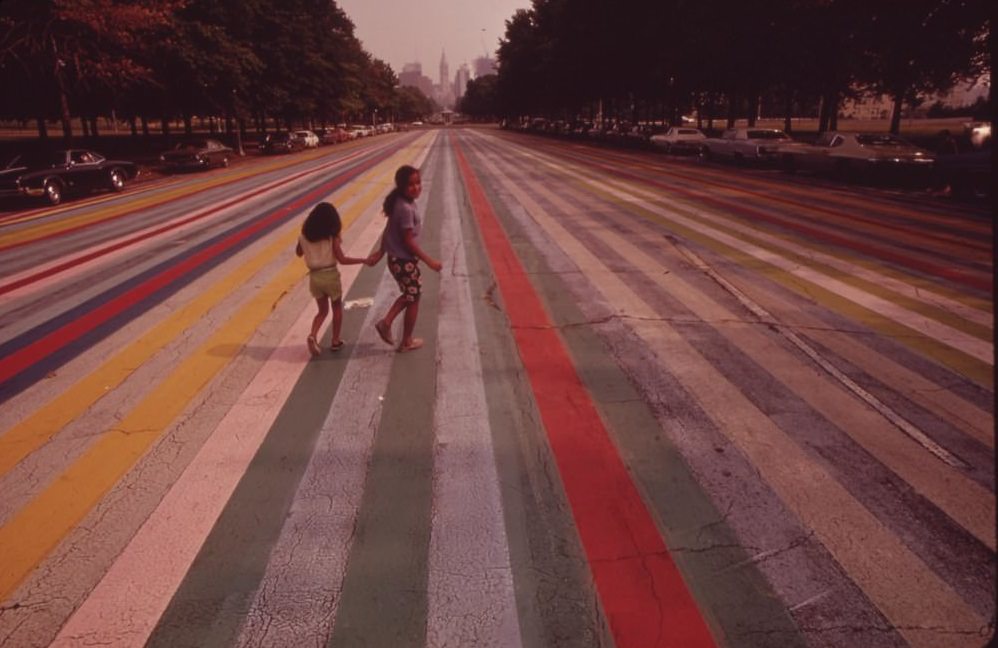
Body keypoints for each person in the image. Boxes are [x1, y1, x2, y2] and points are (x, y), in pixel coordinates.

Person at [367, 165, 442, 352]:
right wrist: (429, 261)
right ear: (401, 186)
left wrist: (381, 251)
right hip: (403, 261)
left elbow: (388, 230)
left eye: (418, 183)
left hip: (397, 259)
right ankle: (387, 323)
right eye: (410, 184)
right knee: (412, 296)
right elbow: (408, 241)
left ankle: (405, 340)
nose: (416, 187)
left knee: (413, 297)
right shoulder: (406, 208)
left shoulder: (400, 202)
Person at [296, 202, 368, 356]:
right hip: (330, 275)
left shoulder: (303, 237)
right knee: (336, 309)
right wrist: (363, 260)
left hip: (315, 278)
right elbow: (342, 259)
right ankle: (335, 341)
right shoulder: (331, 237)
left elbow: (298, 253)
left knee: (322, 311)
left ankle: (313, 335)